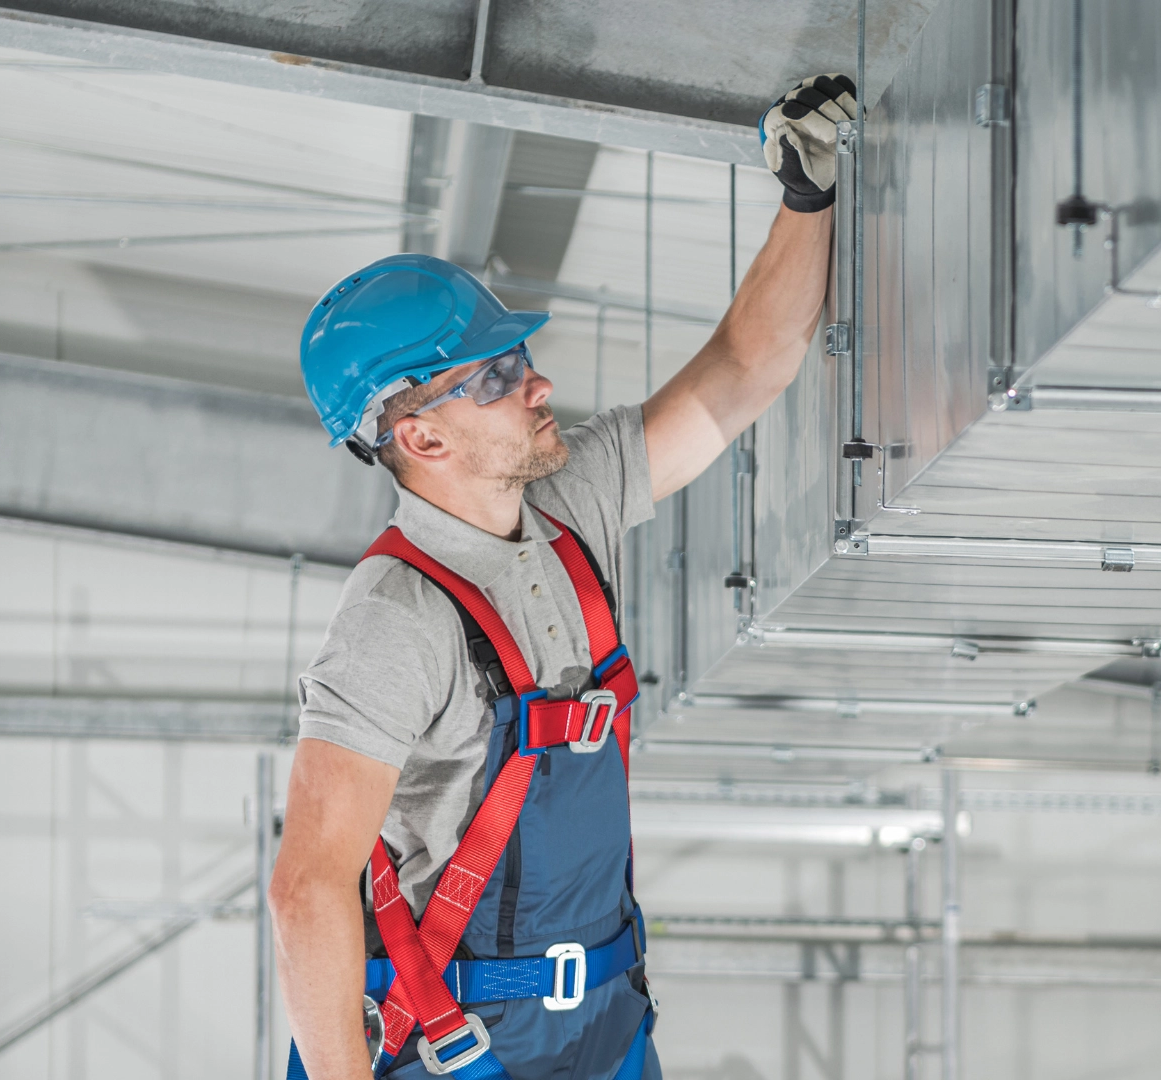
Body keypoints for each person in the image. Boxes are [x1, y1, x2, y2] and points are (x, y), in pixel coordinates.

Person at [271, 74, 859, 1080]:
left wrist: (807, 198)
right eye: (496, 376)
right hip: (464, 1047)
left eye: (521, 355)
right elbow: (308, 885)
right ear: (420, 435)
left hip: (606, 1029)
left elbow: (748, 365)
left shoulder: (572, 505)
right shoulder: (397, 617)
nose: (535, 382)